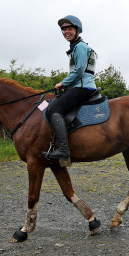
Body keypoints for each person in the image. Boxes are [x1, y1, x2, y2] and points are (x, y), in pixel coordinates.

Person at [41, 15, 97, 164]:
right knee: (49, 103)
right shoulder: (77, 47)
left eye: (70, 29)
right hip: (79, 86)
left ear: (77, 30)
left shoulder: (79, 47)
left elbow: (79, 71)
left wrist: (63, 83)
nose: (66, 32)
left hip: (83, 87)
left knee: (53, 110)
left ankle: (64, 150)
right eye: (64, 29)